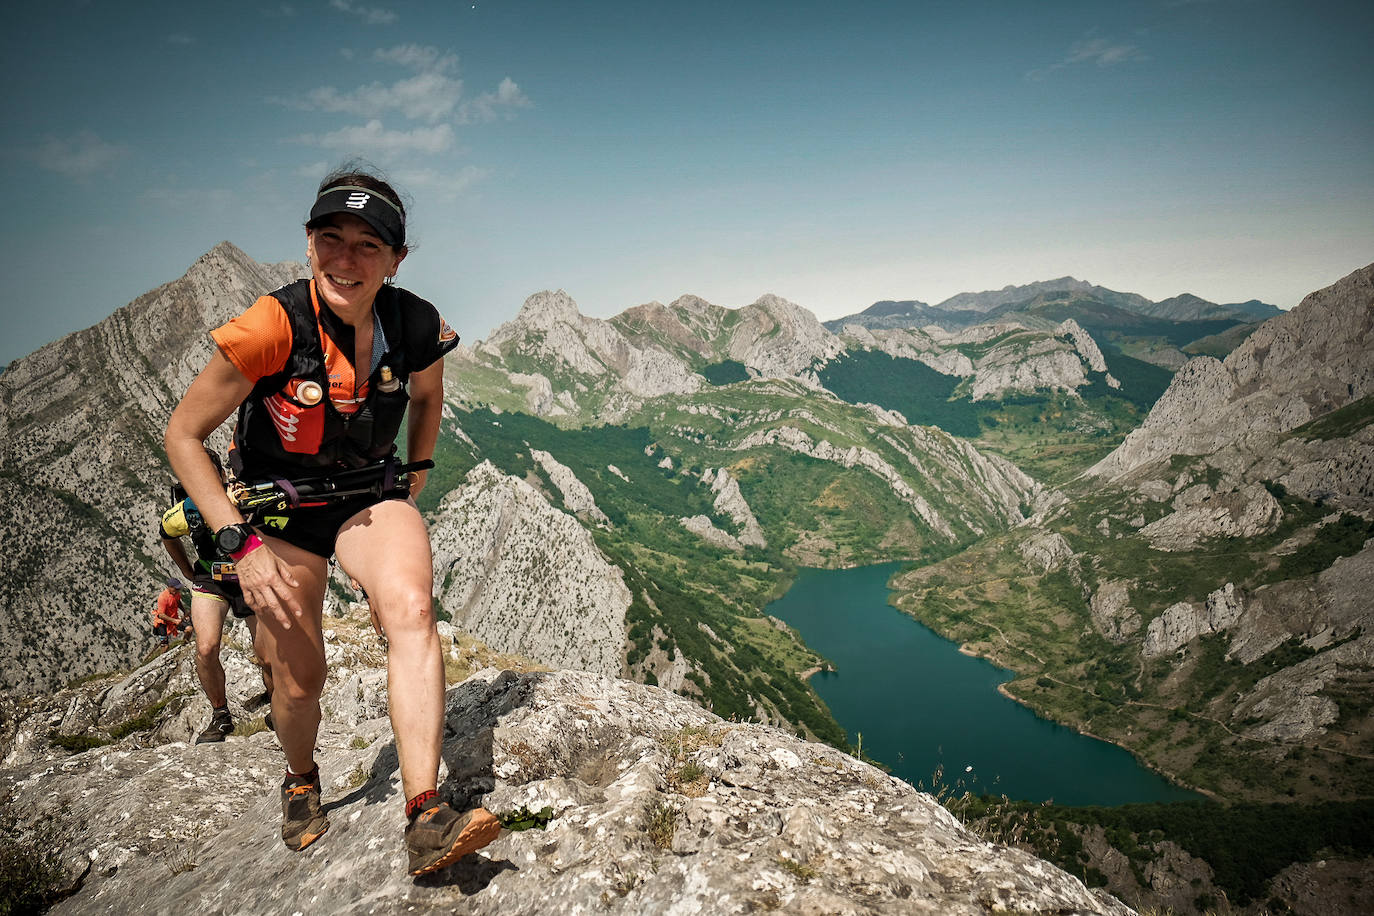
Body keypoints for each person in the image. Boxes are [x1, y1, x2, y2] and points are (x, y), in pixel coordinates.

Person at [163, 166, 498, 876]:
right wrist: (241, 546)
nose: (346, 258)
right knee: (297, 680)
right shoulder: (270, 325)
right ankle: (301, 777)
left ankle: (425, 815)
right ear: (309, 243)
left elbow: (429, 398)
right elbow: (183, 436)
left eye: (368, 244)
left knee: (411, 610)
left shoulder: (414, 324)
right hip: (276, 517)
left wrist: (417, 474)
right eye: (330, 238)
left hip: (368, 497)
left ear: (396, 258)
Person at [160, 448, 275, 743]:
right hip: (211, 580)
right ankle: (221, 715)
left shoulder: (243, 499)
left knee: (266, 654)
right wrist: (187, 570)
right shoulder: (186, 511)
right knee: (207, 648)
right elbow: (166, 532)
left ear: (222, 475)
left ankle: (277, 706)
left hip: (249, 578)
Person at [152, 580, 184, 647]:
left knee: (189, 629)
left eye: (178, 589)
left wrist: (185, 612)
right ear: (170, 587)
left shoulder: (176, 594)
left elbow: (178, 602)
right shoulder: (163, 597)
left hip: (173, 618)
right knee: (165, 645)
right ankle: (163, 656)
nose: (178, 590)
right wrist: (174, 620)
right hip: (162, 623)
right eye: (176, 588)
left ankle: (184, 644)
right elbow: (161, 615)